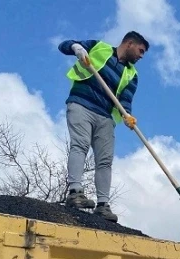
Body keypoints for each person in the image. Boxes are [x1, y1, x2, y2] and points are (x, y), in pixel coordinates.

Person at [58, 32, 149, 223]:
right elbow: (65, 45)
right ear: (130, 43)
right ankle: (75, 192)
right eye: (140, 51)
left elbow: (125, 100)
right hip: (81, 103)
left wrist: (128, 116)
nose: (141, 56)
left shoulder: (132, 74)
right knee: (80, 145)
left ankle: (103, 206)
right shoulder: (99, 47)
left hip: (105, 116)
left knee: (105, 160)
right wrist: (76, 48)